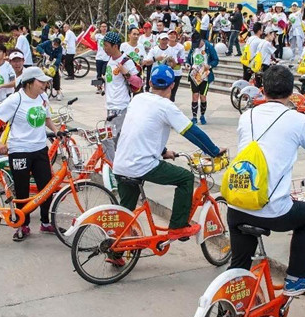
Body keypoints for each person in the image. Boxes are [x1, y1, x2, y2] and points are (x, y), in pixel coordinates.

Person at [228, 65, 305, 295]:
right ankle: (296, 278)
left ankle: (230, 309)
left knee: (238, 266)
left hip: (237, 204)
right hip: (273, 211)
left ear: (262, 90)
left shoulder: (246, 116)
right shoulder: (297, 120)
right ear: (292, 92)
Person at [113, 64, 225, 246]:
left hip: (120, 164)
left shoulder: (138, 98)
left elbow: (142, 130)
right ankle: (178, 226)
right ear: (172, 85)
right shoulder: (167, 106)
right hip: (142, 165)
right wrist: (213, 150)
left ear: (150, 82)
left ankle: (115, 249)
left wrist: (164, 152)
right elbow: (192, 132)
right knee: (186, 178)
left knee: (125, 212)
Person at [0, 66, 60, 241]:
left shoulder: (42, 97)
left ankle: (45, 222)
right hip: (20, 150)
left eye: (45, 81)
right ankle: (23, 224)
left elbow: (47, 117)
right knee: (22, 190)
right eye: (40, 81)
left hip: (40, 149)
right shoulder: (16, 99)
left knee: (46, 188)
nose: (45, 84)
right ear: (29, 83)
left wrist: (57, 131)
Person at [101, 31, 138, 161]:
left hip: (120, 107)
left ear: (115, 46)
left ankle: (112, 168)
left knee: (106, 138)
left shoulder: (126, 61)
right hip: (110, 106)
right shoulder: (110, 60)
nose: (104, 48)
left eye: (106, 45)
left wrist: (125, 72)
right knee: (117, 141)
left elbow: (138, 82)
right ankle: (121, 167)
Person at [187, 31, 219, 124]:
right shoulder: (193, 48)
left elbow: (216, 60)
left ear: (201, 40)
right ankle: (194, 117)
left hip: (205, 75)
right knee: (195, 96)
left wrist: (209, 66)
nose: (196, 45)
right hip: (194, 75)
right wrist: (187, 64)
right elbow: (189, 59)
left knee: (203, 96)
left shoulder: (209, 47)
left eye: (198, 43)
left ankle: (202, 116)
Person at [166, 30, 186, 102]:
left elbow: (182, 60)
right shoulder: (165, 46)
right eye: (170, 34)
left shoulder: (180, 47)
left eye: (174, 34)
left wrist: (176, 61)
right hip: (166, 71)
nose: (172, 36)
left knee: (173, 93)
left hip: (176, 72)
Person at [94, 22, 109, 94]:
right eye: (102, 26)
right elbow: (92, 37)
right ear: (100, 28)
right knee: (98, 74)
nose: (104, 28)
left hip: (106, 58)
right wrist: (95, 30)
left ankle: (105, 87)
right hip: (99, 57)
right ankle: (98, 87)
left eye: (105, 26)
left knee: (104, 73)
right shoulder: (98, 36)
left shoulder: (108, 35)